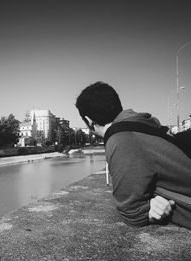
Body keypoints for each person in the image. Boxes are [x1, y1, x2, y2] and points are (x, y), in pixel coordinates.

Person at [75, 81, 191, 229]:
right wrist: (153, 198)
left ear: (89, 121)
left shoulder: (122, 139)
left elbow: (132, 212)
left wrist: (149, 203)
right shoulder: (142, 124)